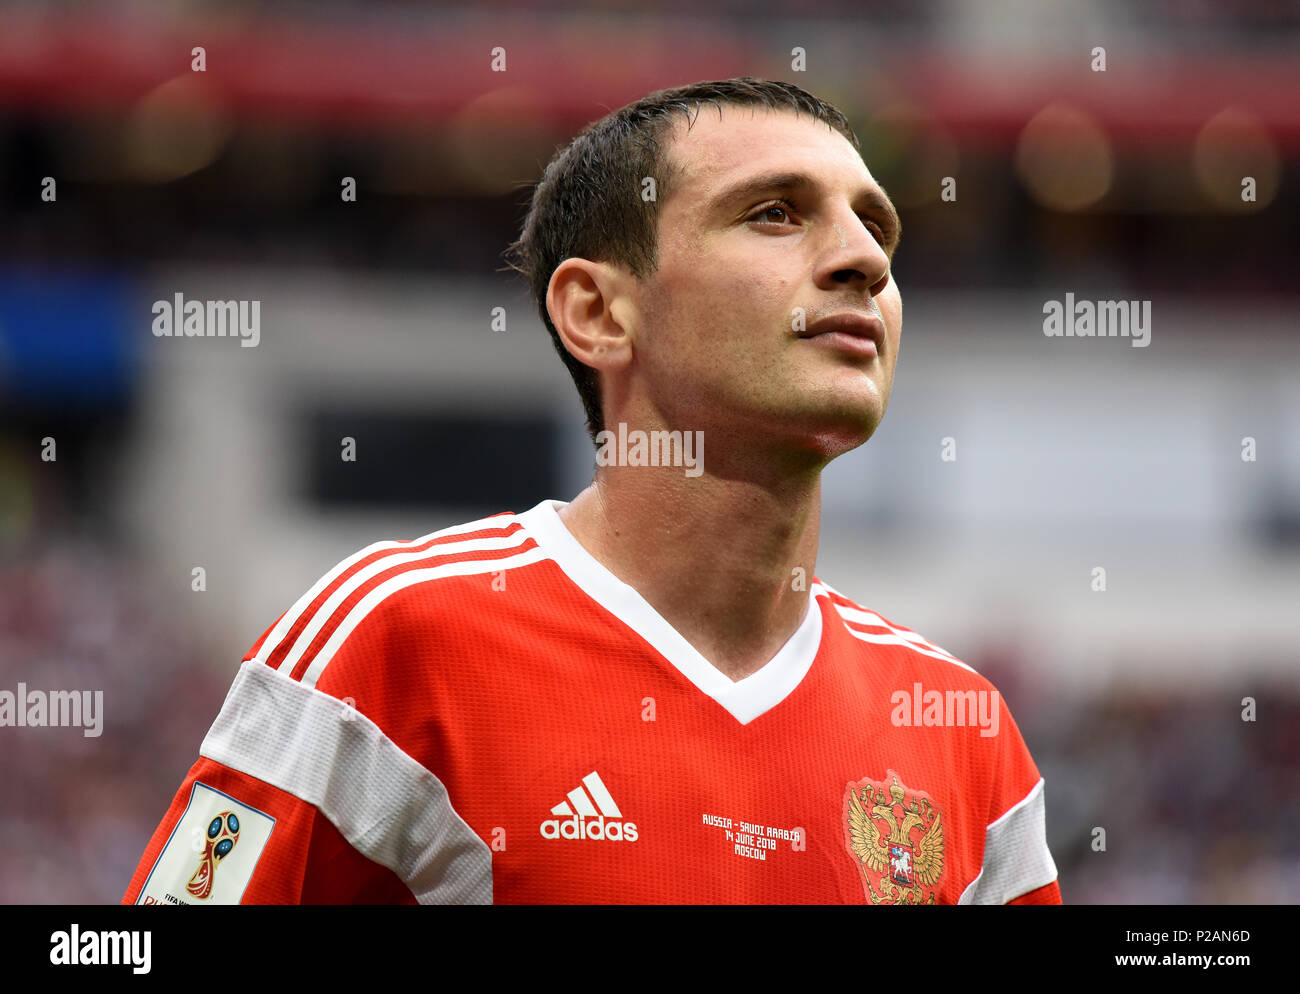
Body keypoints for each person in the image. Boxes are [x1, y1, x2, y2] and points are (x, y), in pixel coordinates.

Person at [123, 77, 1060, 905]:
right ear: (599, 312)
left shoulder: (963, 732)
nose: (866, 260)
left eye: (878, 225)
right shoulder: (394, 637)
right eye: (775, 213)